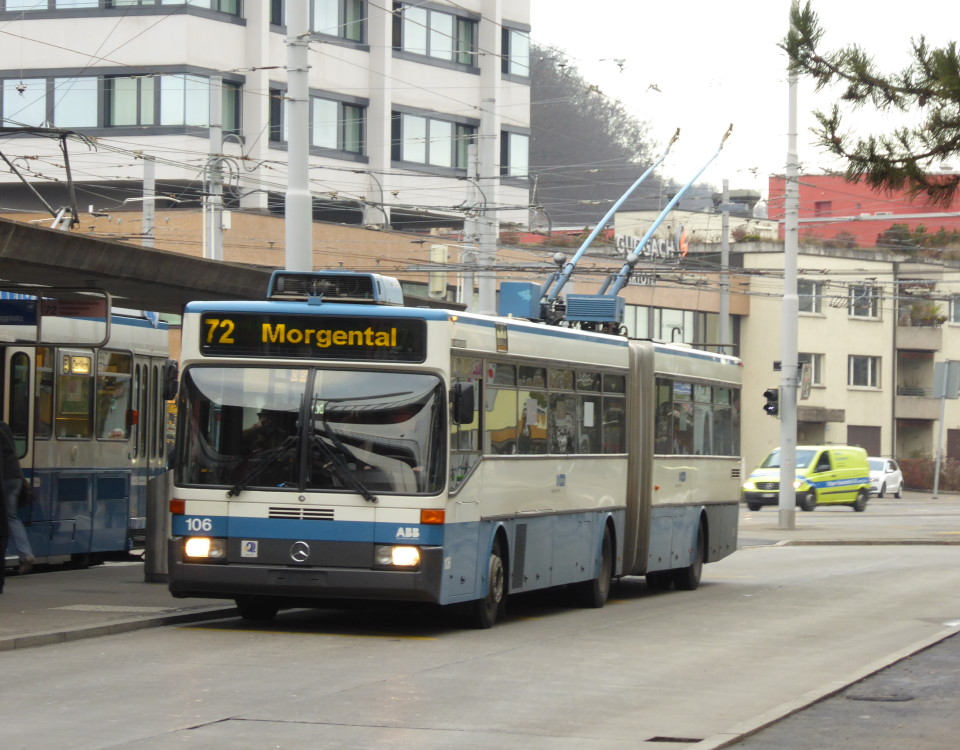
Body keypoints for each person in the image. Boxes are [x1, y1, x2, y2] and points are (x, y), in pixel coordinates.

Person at [1, 420, 34, 575]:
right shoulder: (5, 427)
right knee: (12, 516)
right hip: (16, 475)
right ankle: (25, 553)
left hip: (3, 475)